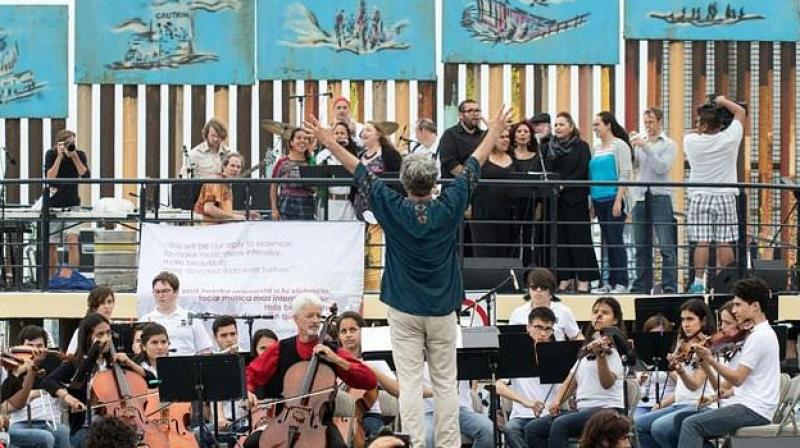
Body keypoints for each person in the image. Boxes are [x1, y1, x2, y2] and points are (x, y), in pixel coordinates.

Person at [302, 105, 510, 448]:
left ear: (404, 181)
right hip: (442, 308)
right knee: (446, 382)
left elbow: (358, 171)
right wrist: (493, 131)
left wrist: (329, 141)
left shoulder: (392, 205)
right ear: (433, 181)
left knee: (410, 382)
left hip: (403, 306)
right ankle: (447, 445)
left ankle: (411, 443)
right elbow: (474, 165)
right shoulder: (449, 204)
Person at [245, 293, 377, 448]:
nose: (315, 320)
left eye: (318, 316)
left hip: (320, 423)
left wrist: (337, 360)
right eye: (309, 316)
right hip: (284, 421)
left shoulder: (331, 351)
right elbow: (251, 373)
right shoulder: (280, 349)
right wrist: (248, 390)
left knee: (339, 446)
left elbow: (369, 380)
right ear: (296, 319)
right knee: (251, 443)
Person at [678, 277, 780, 447]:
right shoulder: (756, 333)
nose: (735, 309)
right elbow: (743, 384)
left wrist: (710, 359)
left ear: (755, 306)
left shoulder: (759, 336)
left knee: (691, 425)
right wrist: (724, 393)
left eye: (738, 305)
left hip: (754, 409)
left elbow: (738, 379)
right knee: (679, 422)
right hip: (744, 403)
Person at [525, 296, 627, 448]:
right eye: (595, 312)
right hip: (584, 409)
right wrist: (558, 401)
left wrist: (600, 357)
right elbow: (572, 378)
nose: (598, 315)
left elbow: (607, 383)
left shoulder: (617, 349)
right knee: (533, 428)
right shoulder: (588, 347)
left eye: (604, 313)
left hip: (607, 409)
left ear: (615, 320)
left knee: (560, 425)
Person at [43, 313, 154, 448]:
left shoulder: (117, 362)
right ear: (88, 337)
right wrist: (67, 397)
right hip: (86, 426)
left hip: (119, 425)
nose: (106, 338)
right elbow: (48, 381)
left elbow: (152, 380)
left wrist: (131, 363)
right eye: (100, 335)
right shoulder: (76, 364)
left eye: (108, 333)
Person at [684, 96, 746, 294]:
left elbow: (695, 131)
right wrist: (724, 101)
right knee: (724, 240)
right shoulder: (730, 138)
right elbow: (740, 113)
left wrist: (702, 114)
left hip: (700, 195)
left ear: (703, 126)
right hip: (725, 195)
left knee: (702, 241)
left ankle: (698, 282)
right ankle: (727, 281)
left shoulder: (691, 141)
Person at [634, 298, 716, 448]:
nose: (685, 324)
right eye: (683, 319)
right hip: (679, 403)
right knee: (638, 425)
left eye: (690, 319)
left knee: (660, 427)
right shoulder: (681, 344)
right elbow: (681, 388)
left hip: (698, 404)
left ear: (703, 321)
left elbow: (694, 385)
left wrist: (680, 370)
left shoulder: (706, 347)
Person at [545, 112, 599, 292]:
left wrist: (564, 185)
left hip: (575, 199)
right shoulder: (550, 147)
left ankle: (584, 279)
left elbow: (583, 170)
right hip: (557, 201)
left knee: (580, 239)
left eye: (561, 124)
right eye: (556, 125)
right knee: (561, 239)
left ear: (570, 126)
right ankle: (565, 277)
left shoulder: (581, 146)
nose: (557, 128)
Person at [496, 307, 561, 448]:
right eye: (538, 327)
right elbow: (499, 386)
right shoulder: (516, 354)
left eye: (548, 329)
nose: (543, 333)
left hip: (549, 415)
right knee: (511, 429)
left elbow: (569, 385)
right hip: (521, 415)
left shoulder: (558, 354)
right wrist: (526, 402)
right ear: (528, 327)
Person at [629, 107, 678, 294]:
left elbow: (661, 168)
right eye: (645, 122)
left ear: (659, 122)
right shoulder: (642, 142)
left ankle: (669, 286)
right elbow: (634, 168)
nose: (647, 126)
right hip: (640, 197)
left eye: (650, 122)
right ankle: (642, 284)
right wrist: (633, 148)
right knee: (640, 245)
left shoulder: (669, 144)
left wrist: (645, 147)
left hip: (660, 196)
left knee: (666, 245)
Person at [352, 121, 402, 291]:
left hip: (381, 206)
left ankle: (377, 286)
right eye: (363, 131)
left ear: (379, 134)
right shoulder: (360, 156)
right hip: (361, 206)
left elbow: (397, 182)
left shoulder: (390, 155)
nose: (364, 133)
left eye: (368, 130)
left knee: (378, 249)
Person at [1, 326, 71, 448]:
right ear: (21, 346)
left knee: (63, 432)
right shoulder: (13, 366)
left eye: (39, 346)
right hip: (20, 422)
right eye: (29, 346)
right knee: (46, 438)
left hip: (48, 420)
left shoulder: (54, 364)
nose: (34, 351)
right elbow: (12, 404)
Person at [590, 111, 633, 293]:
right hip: (598, 198)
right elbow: (592, 175)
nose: (595, 129)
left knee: (616, 239)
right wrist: (591, 202)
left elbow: (625, 173)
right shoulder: (597, 148)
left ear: (608, 125)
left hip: (613, 197)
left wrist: (618, 200)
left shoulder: (619, 145)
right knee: (606, 241)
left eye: (598, 124)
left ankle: (621, 281)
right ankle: (607, 281)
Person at [337, 311, 398, 438]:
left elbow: (395, 387)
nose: (348, 335)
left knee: (375, 432)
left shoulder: (375, 359)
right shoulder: (333, 359)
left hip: (369, 414)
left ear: (363, 332)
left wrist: (372, 372)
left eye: (353, 330)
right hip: (337, 414)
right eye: (343, 331)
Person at [44, 129, 90, 278]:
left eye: (73, 142)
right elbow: (49, 177)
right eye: (68, 143)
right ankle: (51, 279)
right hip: (54, 204)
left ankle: (71, 277)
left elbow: (85, 175)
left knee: (72, 241)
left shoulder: (79, 154)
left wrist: (74, 156)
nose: (71, 145)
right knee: (51, 244)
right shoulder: (51, 154)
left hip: (73, 204)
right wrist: (59, 156)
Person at [140, 271, 213, 355]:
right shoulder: (145, 320)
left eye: (165, 291)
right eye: (157, 291)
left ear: (176, 292)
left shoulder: (192, 318)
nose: (161, 295)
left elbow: (204, 349)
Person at [471, 127, 515, 258]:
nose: (506, 140)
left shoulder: (513, 158)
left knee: (504, 252)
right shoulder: (482, 159)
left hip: (507, 213)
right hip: (483, 211)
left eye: (507, 137)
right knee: (484, 252)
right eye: (502, 137)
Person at [508, 268, 582, 341]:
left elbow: (576, 337)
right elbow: (510, 340)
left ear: (551, 290)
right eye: (534, 287)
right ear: (528, 289)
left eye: (543, 287)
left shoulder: (563, 311)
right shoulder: (517, 313)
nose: (538, 290)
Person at [194, 153, 261, 223]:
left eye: (238, 167)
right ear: (224, 167)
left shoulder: (228, 184)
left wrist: (246, 213)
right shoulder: (215, 181)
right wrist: (233, 217)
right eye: (232, 166)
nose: (235, 169)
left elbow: (225, 212)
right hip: (207, 228)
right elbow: (208, 208)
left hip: (220, 227)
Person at [510, 120, 541, 266]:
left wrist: (539, 207)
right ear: (514, 135)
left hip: (531, 203)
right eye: (519, 131)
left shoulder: (538, 156)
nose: (522, 134)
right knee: (512, 238)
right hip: (511, 205)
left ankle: (528, 271)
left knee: (529, 238)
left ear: (531, 136)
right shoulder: (508, 155)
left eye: (526, 132)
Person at [316, 122, 361, 221]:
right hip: (328, 203)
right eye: (336, 133)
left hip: (348, 203)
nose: (339, 136)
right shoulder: (324, 155)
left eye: (342, 133)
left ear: (348, 136)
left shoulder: (353, 155)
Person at [270, 128, 316, 221]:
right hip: (286, 203)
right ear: (291, 142)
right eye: (298, 138)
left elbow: (316, 187)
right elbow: (274, 186)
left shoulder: (311, 162)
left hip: (306, 203)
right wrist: (274, 209)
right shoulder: (282, 162)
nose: (302, 141)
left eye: (306, 138)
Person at [634, 315, 676, 416]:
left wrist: (664, 366)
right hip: (642, 404)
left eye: (659, 335)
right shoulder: (640, 356)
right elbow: (633, 388)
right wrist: (640, 381)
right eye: (651, 336)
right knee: (635, 421)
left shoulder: (674, 355)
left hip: (668, 403)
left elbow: (682, 384)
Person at [438, 99, 486, 179]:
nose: (475, 114)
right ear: (460, 115)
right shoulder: (450, 134)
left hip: (481, 186)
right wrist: (471, 179)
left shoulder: (483, 135)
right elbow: (450, 164)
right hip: (456, 186)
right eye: (470, 111)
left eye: (477, 111)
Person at [67, 285, 116, 354]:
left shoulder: (112, 328)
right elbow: (70, 356)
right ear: (94, 306)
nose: (107, 306)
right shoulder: (83, 329)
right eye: (102, 303)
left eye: (109, 302)